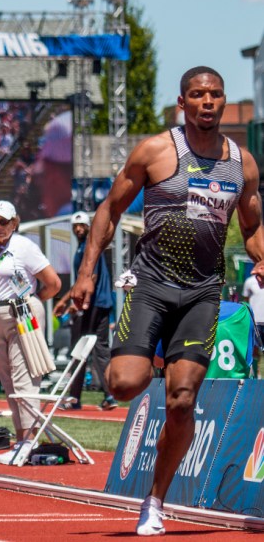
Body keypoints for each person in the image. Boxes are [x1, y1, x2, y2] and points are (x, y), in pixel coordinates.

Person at [70, 67, 264, 536]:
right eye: (198, 94)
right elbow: (109, 209)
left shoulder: (243, 162)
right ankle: (151, 351)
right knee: (123, 384)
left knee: (181, 402)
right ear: (183, 102)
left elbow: (254, 225)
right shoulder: (157, 150)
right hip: (152, 285)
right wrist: (86, 271)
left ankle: (154, 501)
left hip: (201, 292)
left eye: (215, 94)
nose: (208, 102)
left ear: (223, 101)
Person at [0, 200, 61, 463]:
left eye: (3, 221)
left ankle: (28, 440)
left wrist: (32, 303)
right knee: (8, 380)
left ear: (15, 222)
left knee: (24, 375)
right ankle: (20, 438)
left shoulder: (24, 247)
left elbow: (54, 283)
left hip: (20, 313)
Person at [53, 212, 116, 411]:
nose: (79, 229)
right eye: (75, 226)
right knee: (100, 350)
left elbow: (91, 278)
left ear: (89, 226)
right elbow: (82, 281)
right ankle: (109, 396)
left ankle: (75, 398)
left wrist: (78, 303)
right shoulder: (84, 247)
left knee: (80, 350)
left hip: (93, 304)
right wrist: (64, 300)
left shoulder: (90, 247)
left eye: (82, 225)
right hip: (101, 303)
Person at [241, 271, 264, 378]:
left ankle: (261, 376)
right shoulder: (249, 282)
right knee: (252, 351)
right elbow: (245, 301)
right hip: (254, 321)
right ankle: (253, 377)